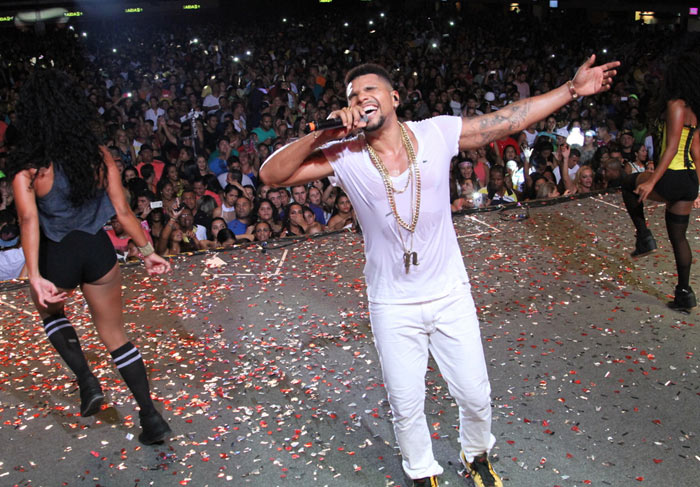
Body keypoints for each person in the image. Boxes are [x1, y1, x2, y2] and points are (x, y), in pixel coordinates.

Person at [260, 57, 618, 487]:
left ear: (393, 98)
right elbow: (272, 175)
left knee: (475, 395)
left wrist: (572, 90)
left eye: (370, 90)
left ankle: (476, 455)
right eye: (353, 95)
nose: (361, 99)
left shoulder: (433, 132)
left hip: (449, 292)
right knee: (406, 404)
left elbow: (503, 121)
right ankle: (421, 471)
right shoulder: (343, 153)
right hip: (392, 303)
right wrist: (326, 129)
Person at [7, 69, 172, 445]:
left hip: (58, 255)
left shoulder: (30, 169)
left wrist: (34, 276)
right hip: (98, 252)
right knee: (115, 334)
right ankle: (151, 417)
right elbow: (124, 212)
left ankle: (86, 379)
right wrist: (148, 252)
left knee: (50, 311)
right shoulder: (97, 156)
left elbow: (29, 220)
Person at [621, 51, 700, 311]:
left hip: (672, 176)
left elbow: (671, 148)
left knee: (628, 181)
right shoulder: (694, 112)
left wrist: (652, 181)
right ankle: (684, 294)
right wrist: (698, 189)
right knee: (679, 237)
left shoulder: (675, 104)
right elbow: (696, 153)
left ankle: (643, 236)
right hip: (687, 179)